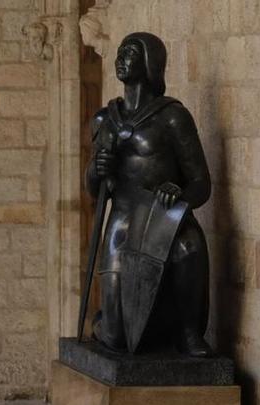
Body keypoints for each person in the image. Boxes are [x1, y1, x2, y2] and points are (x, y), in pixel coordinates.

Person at [87, 31, 212, 356]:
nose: (121, 58)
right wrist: (97, 169)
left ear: (149, 62)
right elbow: (93, 190)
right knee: (115, 338)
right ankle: (109, 323)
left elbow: (201, 183)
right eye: (119, 52)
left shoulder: (172, 117)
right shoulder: (106, 120)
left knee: (189, 246)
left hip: (162, 218)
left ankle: (187, 332)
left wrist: (179, 193)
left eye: (130, 52)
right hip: (123, 222)